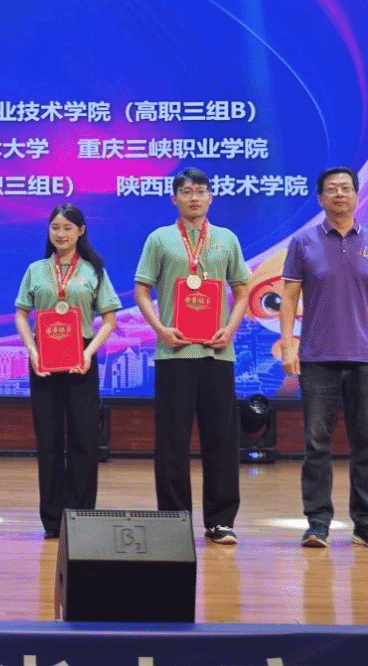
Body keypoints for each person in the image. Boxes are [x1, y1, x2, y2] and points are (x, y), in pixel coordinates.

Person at [279, 166, 368, 550]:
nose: (339, 194)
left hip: (366, 358)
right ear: (320, 198)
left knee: (365, 443)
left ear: (357, 195)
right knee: (317, 444)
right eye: (331, 189)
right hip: (317, 359)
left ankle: (366, 524)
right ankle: (318, 524)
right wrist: (288, 344)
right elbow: (289, 296)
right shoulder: (303, 242)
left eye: (346, 188)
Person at [134, 168, 250, 545]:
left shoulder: (227, 239)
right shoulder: (160, 239)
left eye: (201, 191)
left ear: (211, 197)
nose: (194, 197)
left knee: (221, 439)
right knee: (172, 441)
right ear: (175, 198)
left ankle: (220, 521)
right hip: (174, 353)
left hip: (218, 353)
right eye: (186, 191)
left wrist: (230, 329)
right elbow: (141, 290)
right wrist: (160, 329)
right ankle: (173, 520)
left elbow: (243, 290)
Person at [15, 204, 121, 539]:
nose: (60, 234)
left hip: (81, 358)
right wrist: (32, 350)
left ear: (81, 231)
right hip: (43, 360)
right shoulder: (35, 270)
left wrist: (89, 353)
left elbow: (110, 319)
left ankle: (81, 515)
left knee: (83, 439)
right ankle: (52, 520)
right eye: (55, 228)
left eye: (67, 228)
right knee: (48, 441)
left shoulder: (93, 270)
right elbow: (21, 314)